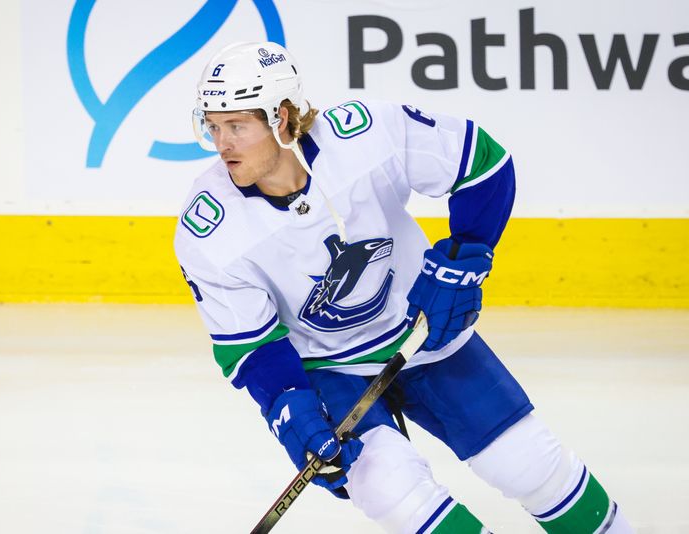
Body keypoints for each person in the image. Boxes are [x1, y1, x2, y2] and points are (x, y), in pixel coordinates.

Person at [175, 41, 632, 533]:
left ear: (282, 117)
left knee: (531, 466)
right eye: (213, 125)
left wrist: (463, 261)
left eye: (237, 125)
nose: (222, 143)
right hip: (331, 369)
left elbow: (483, 164)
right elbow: (251, 347)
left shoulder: (365, 137)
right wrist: (291, 408)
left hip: (424, 330)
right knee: (395, 495)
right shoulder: (209, 228)